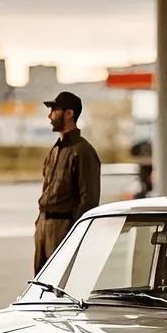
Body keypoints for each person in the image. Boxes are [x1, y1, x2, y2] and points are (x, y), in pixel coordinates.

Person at [34, 91, 101, 274]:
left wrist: (72, 233)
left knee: (59, 282)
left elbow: (89, 200)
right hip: (44, 226)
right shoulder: (55, 151)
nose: (50, 115)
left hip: (63, 228)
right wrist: (39, 223)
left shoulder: (83, 152)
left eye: (54, 110)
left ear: (69, 113)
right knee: (40, 284)